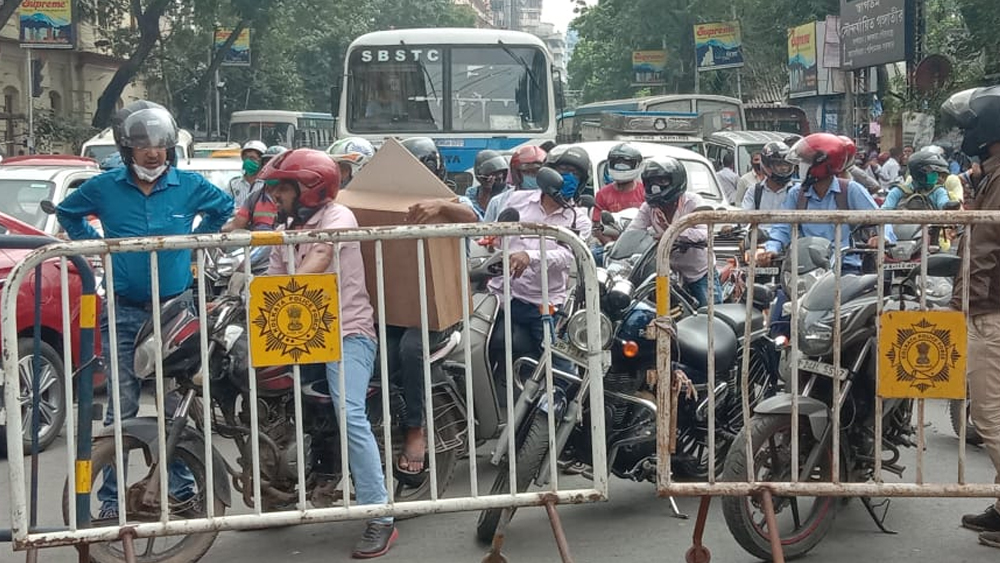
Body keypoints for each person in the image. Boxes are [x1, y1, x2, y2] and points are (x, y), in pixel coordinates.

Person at [55, 100, 234, 520]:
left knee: (174, 407)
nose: (153, 154)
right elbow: (68, 213)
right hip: (123, 311)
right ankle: (111, 502)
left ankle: (182, 491)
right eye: (143, 146)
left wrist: (195, 242)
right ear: (126, 149)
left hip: (175, 312)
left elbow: (223, 210)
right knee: (122, 408)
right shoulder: (104, 187)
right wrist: (96, 247)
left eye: (160, 146)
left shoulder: (189, 185)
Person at [260, 148, 397, 558]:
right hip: (302, 331)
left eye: (283, 188)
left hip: (349, 332)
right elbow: (270, 280)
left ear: (309, 189)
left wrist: (283, 285)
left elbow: (319, 257)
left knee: (348, 413)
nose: (275, 195)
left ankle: (380, 515)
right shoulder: (285, 230)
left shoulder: (338, 217)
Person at [388, 141, 480, 476]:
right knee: (377, 351)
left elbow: (474, 218)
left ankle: (416, 428)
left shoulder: (455, 202)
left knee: (411, 348)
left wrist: (440, 204)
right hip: (397, 308)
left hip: (443, 312)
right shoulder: (391, 205)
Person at [943, 86, 1000, 550]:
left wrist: (964, 305)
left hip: (990, 310)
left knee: (989, 415)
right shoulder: (991, 176)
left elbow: (982, 249)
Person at [488, 147, 592, 381]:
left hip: (541, 304)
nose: (568, 177)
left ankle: (557, 401)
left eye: (575, 173)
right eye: (563, 170)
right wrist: (490, 243)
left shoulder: (579, 219)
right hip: (502, 297)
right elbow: (497, 237)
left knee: (562, 372)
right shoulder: (517, 201)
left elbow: (566, 256)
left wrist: (529, 255)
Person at [757, 133, 891, 275]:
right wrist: (771, 249)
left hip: (846, 268)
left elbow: (882, 220)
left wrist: (883, 237)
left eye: (805, 162)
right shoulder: (796, 194)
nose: (800, 166)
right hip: (806, 269)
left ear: (821, 165)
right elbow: (782, 228)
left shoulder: (850, 190)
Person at [627, 156, 721, 308]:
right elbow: (633, 231)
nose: (655, 186)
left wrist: (672, 233)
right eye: (651, 182)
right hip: (666, 272)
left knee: (710, 314)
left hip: (698, 272)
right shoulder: (648, 207)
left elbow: (704, 233)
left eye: (662, 181)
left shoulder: (693, 202)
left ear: (676, 180)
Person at [591, 143, 645, 245]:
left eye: (626, 163)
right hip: (611, 245)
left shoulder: (645, 192)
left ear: (637, 165)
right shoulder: (602, 194)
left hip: (641, 244)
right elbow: (597, 227)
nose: (621, 166)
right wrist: (611, 245)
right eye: (617, 163)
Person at [484, 145, 548, 221]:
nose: (531, 176)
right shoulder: (498, 202)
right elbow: (487, 227)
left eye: (535, 172)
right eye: (526, 172)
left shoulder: (552, 201)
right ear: (516, 174)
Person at [743, 141, 794, 232]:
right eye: (778, 164)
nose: (783, 168)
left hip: (788, 238)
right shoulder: (754, 191)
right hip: (759, 237)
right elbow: (743, 218)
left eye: (786, 164)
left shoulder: (796, 191)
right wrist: (730, 226)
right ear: (766, 166)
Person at [881, 149, 951, 211]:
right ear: (919, 172)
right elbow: (885, 211)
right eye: (932, 172)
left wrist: (949, 206)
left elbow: (943, 204)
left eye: (936, 173)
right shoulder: (898, 191)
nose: (936, 176)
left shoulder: (938, 191)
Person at [464, 149, 510, 220]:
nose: (500, 176)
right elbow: (482, 217)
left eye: (501, 172)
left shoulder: (510, 191)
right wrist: (486, 191)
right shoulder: (472, 192)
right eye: (494, 173)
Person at [228, 140, 267, 208]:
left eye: (252, 158)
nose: (248, 161)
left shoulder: (266, 184)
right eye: (246, 158)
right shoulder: (233, 184)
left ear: (262, 161)